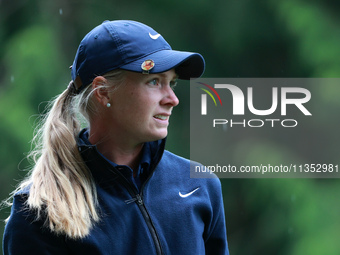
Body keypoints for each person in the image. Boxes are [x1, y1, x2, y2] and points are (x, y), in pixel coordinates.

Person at [2, 20, 229, 255]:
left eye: (171, 83)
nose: (172, 99)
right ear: (103, 92)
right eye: (154, 81)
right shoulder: (39, 211)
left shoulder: (199, 185)